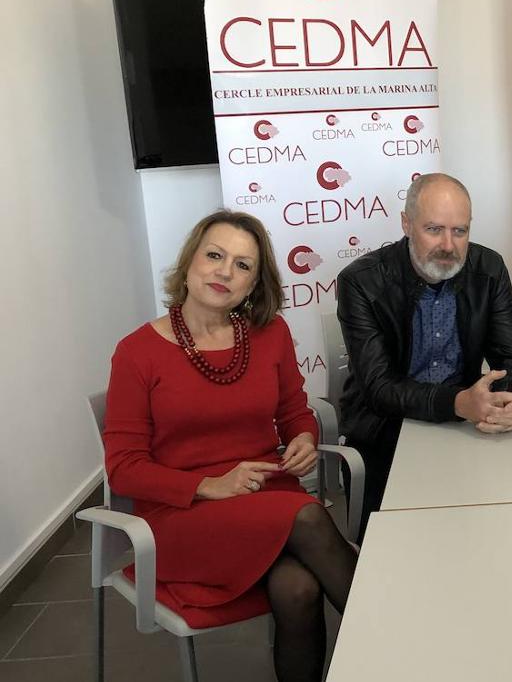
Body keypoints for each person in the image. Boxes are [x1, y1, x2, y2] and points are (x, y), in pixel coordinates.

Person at [104, 211, 356, 682]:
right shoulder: (137, 352)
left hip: (264, 497)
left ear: (255, 283)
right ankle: (399, 649)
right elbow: (123, 468)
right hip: (182, 515)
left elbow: (295, 412)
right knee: (307, 515)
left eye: (242, 265)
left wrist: (304, 436)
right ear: (190, 262)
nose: (224, 272)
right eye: (215, 255)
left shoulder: (269, 335)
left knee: (298, 588)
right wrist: (208, 485)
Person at [337, 173, 512, 534]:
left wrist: (502, 404)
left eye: (460, 231)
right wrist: (458, 402)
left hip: (465, 431)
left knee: (496, 532)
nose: (448, 245)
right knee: (392, 552)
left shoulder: (488, 268)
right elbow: (379, 388)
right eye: (434, 229)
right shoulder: (360, 281)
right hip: (385, 434)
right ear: (406, 224)